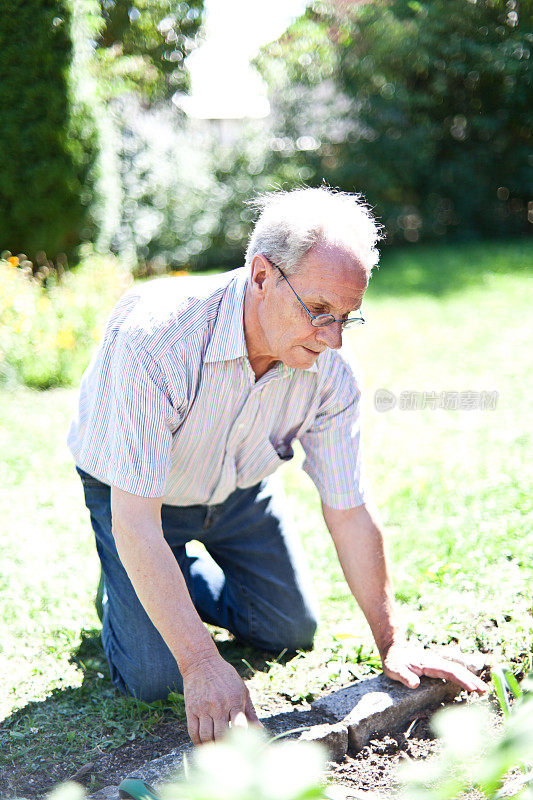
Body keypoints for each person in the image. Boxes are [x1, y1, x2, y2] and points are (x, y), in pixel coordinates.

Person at [68, 187, 486, 745]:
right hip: (140, 499)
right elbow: (137, 520)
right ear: (261, 275)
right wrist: (200, 664)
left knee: (288, 629)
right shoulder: (156, 341)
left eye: (346, 318)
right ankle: (131, 578)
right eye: (318, 312)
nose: (334, 338)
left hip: (239, 490)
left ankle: (157, 577)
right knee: (155, 679)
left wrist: (393, 643)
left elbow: (350, 509)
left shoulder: (331, 372)